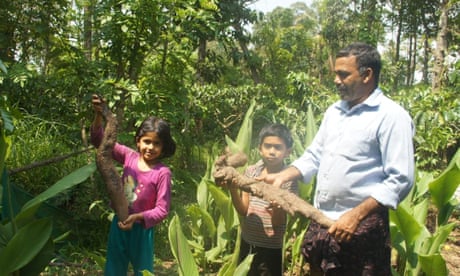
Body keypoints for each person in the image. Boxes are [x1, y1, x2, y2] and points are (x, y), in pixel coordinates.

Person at [260, 42, 415, 275]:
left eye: (343, 74)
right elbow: (315, 155)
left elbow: (400, 178)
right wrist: (283, 175)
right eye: (336, 74)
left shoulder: (391, 117)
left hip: (361, 226)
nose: (336, 80)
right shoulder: (334, 111)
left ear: (367, 75)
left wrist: (355, 215)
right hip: (321, 218)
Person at [90, 94, 176, 276]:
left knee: (143, 271)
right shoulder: (129, 156)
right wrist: (99, 115)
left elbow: (162, 209)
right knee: (114, 268)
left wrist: (137, 217)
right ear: (138, 141)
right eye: (147, 141)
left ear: (164, 147)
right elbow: (100, 141)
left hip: (142, 230)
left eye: (156, 143)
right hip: (119, 223)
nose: (150, 147)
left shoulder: (162, 173)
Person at [227, 123, 298, 276]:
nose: (272, 151)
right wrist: (233, 189)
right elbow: (243, 210)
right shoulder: (251, 171)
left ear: (288, 152)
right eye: (268, 146)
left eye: (278, 147)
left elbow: (278, 222)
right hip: (248, 242)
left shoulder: (289, 180)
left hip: (271, 248)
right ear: (260, 148)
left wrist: (278, 207)